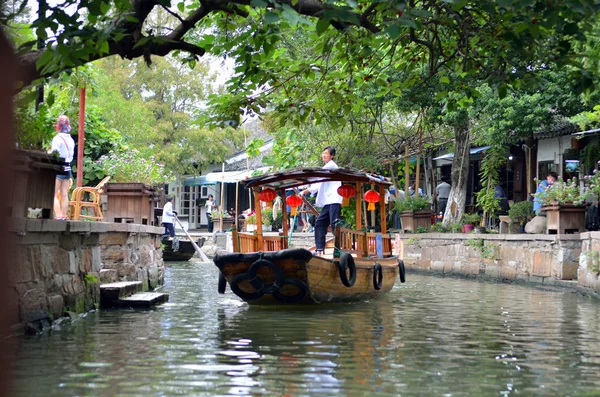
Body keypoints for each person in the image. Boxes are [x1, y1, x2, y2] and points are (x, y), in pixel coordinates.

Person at [301, 146, 342, 255]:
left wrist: (307, 190)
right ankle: (319, 249)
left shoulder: (331, 166)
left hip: (334, 200)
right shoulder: (326, 167)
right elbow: (319, 182)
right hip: (328, 201)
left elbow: (318, 182)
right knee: (319, 223)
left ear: (332, 156)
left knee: (335, 224)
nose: (323, 155)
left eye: (326, 153)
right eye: (323, 153)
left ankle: (339, 249)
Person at [48, 115, 75, 220]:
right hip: (67, 168)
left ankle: (58, 215)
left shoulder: (57, 139)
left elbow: (54, 153)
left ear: (58, 126)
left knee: (53, 194)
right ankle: (64, 216)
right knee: (64, 194)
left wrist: (48, 152)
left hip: (58, 168)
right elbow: (71, 155)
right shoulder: (71, 140)